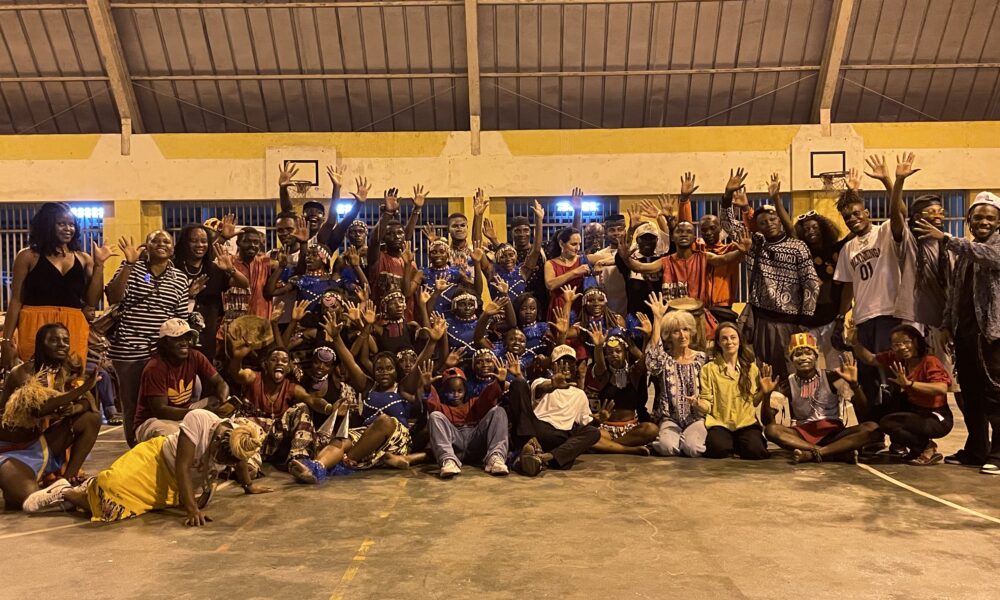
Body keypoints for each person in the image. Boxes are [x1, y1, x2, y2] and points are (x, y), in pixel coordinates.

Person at [38, 409, 272, 524]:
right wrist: (192, 509)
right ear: (222, 440)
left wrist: (248, 486)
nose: (230, 465)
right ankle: (64, 492)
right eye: (228, 458)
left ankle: (84, 491)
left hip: (177, 488)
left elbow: (240, 458)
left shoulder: (238, 439)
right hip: (156, 463)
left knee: (113, 513)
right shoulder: (200, 420)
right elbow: (182, 467)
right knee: (108, 491)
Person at [915, 192, 1000, 473]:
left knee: (994, 395)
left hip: (992, 334)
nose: (983, 222)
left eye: (990, 217)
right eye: (978, 217)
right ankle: (977, 450)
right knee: (971, 395)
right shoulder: (966, 251)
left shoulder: (989, 247)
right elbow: (954, 293)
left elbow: (991, 257)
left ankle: (998, 455)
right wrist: (948, 324)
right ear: (969, 221)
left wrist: (947, 240)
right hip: (966, 334)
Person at [833, 154, 917, 422]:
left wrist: (890, 180)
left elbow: (899, 213)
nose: (853, 218)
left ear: (867, 212)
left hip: (889, 315)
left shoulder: (884, 232)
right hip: (863, 319)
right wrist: (840, 319)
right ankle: (874, 434)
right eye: (847, 216)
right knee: (868, 380)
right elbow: (848, 288)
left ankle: (901, 431)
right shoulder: (848, 248)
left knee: (892, 377)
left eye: (857, 213)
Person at [720, 170, 819, 381]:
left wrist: (804, 320)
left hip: (790, 323)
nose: (769, 224)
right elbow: (728, 224)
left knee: (791, 375)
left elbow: (811, 283)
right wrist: (727, 195)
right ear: (758, 226)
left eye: (772, 219)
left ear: (780, 221)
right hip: (760, 320)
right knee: (761, 374)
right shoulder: (754, 243)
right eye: (763, 222)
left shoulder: (797, 247)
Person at [105, 232, 192, 447]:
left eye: (166, 241)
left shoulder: (180, 278)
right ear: (147, 246)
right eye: (155, 241)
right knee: (132, 404)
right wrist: (128, 263)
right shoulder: (132, 268)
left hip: (162, 352)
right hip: (129, 348)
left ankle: (158, 447)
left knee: (163, 402)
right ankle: (134, 449)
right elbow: (114, 297)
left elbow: (180, 318)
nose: (161, 245)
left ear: (172, 248)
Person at [1, 202, 114, 369]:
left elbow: (91, 300)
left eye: (71, 224)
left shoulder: (84, 258)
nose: (68, 228)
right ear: (47, 224)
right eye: (61, 223)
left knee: (71, 378)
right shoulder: (28, 256)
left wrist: (99, 265)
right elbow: (16, 300)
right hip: (35, 323)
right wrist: (7, 341)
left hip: (73, 325)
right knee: (35, 378)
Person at [1, 325, 101, 510]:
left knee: (90, 419)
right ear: (40, 345)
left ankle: (67, 481)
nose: (61, 345)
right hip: (8, 452)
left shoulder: (65, 369)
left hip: (39, 443)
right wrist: (82, 389)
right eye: (54, 340)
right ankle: (61, 492)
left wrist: (75, 407)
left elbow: (89, 404)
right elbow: (37, 409)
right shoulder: (22, 373)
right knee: (26, 499)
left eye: (65, 340)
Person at [762, 333, 878, 464]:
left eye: (808, 353)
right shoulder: (786, 385)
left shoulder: (831, 378)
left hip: (834, 433)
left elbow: (864, 410)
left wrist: (854, 385)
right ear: (792, 359)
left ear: (816, 356)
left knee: (872, 428)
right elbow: (767, 421)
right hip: (803, 436)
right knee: (771, 430)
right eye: (798, 354)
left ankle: (815, 454)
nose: (804, 358)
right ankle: (832, 453)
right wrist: (766, 395)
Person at [851, 325, 952, 466]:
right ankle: (919, 448)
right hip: (913, 409)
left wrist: (909, 384)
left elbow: (941, 388)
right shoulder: (897, 358)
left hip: (935, 416)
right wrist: (854, 343)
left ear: (916, 341)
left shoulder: (929, 361)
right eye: (897, 344)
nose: (902, 347)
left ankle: (928, 447)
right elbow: (871, 359)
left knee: (891, 423)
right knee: (884, 419)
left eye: (906, 342)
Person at [509, 345, 604, 476]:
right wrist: (552, 386)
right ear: (553, 367)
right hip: (537, 429)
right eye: (561, 362)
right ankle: (532, 445)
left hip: (560, 436)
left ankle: (545, 457)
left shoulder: (579, 394)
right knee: (518, 383)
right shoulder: (541, 381)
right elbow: (541, 389)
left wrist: (598, 420)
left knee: (594, 433)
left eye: (570, 363)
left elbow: (585, 423)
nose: (566, 366)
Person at [133, 319, 230, 442]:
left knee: (216, 402)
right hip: (153, 420)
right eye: (178, 338)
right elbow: (161, 411)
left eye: (187, 338)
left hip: (185, 411)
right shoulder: (155, 367)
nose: (184, 343)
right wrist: (199, 414)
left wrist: (223, 402)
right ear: (165, 342)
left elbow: (221, 383)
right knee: (175, 437)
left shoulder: (195, 356)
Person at [174, 224, 249, 360]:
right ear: (184, 243)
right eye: (194, 241)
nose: (199, 245)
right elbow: (149, 280)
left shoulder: (214, 269)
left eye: (204, 241)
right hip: (178, 337)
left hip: (206, 338)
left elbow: (244, 283)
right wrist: (188, 294)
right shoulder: (174, 267)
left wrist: (230, 269)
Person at [644, 303, 709, 457]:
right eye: (675, 331)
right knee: (667, 448)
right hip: (670, 418)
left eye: (685, 329)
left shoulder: (702, 359)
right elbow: (652, 363)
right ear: (667, 335)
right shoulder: (665, 360)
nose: (682, 335)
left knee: (693, 449)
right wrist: (658, 319)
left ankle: (686, 440)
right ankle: (676, 440)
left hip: (696, 417)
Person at [424, 364, 510, 478]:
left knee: (498, 411)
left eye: (459, 391)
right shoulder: (442, 407)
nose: (455, 395)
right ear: (444, 392)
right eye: (451, 391)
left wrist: (498, 382)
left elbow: (488, 398)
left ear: (465, 390)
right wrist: (427, 388)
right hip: (455, 448)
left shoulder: (473, 403)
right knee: (435, 416)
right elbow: (432, 403)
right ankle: (448, 460)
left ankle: (496, 458)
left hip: (476, 444)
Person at [698, 322, 770, 460]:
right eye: (724, 338)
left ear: (739, 340)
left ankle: (741, 443)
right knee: (717, 450)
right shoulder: (709, 369)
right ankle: (733, 443)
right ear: (718, 342)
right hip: (720, 423)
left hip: (746, 422)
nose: (729, 342)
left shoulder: (751, 369)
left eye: (733, 337)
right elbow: (707, 402)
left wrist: (765, 392)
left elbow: (754, 401)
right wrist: (699, 404)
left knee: (756, 451)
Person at [584, 325, 658, 456]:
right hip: (606, 429)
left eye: (618, 351)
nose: (614, 355)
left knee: (651, 429)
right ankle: (628, 449)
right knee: (589, 434)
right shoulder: (604, 375)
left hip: (630, 429)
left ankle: (609, 447)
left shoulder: (633, 374)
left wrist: (647, 337)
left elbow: (644, 361)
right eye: (610, 352)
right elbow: (600, 364)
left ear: (625, 352)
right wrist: (598, 347)